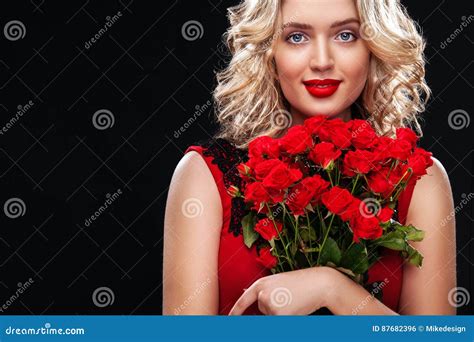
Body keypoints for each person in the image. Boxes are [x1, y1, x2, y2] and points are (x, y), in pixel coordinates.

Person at [163, 0, 456, 315]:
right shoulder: (205, 176)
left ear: (373, 47)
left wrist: (333, 290)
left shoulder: (417, 181)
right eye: (296, 37)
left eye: (345, 35)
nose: (322, 61)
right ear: (269, 50)